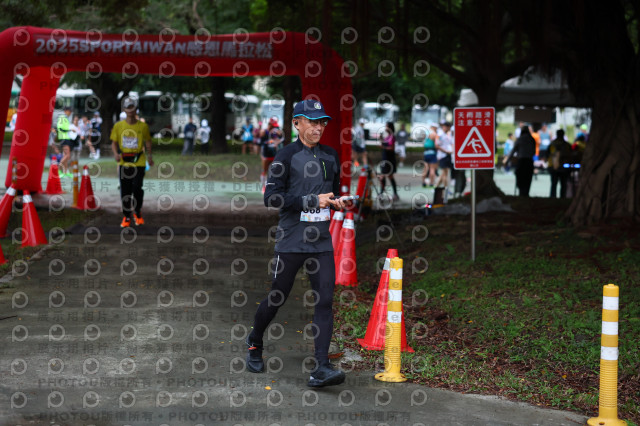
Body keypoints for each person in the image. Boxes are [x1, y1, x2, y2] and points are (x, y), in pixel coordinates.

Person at [246, 99, 352, 388]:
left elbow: (331, 194)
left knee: (325, 300)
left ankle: (321, 367)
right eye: (312, 122)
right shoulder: (285, 156)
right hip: (291, 239)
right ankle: (255, 342)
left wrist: (338, 202)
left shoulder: (331, 155)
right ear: (296, 123)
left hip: (321, 241)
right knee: (277, 296)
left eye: (322, 122)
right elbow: (271, 198)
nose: (319, 127)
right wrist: (311, 200)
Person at [110, 98, 154, 228]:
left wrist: (150, 156)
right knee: (125, 190)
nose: (130, 110)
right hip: (124, 162)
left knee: (137, 188)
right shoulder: (118, 126)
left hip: (139, 162)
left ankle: (138, 212)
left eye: (132, 107)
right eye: (128, 107)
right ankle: (126, 216)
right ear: (124, 110)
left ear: (136, 109)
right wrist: (115, 154)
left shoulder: (143, 126)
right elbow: (114, 143)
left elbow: (148, 141)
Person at [504, 125, 536, 197]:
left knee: (520, 177)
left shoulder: (520, 139)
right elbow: (533, 151)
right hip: (529, 161)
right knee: (528, 178)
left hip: (521, 161)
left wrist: (507, 161)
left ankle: (521, 192)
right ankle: (526, 193)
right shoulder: (532, 139)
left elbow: (513, 151)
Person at [548, 129, 571, 198]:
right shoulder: (567, 145)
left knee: (554, 183)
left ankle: (553, 198)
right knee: (563, 184)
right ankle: (562, 197)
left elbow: (547, 154)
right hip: (563, 167)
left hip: (553, 166)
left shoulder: (552, 144)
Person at [259, 124, 283, 192]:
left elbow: (280, 140)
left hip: (273, 155)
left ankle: (270, 186)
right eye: (273, 126)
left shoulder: (276, 134)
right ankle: (263, 187)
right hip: (266, 155)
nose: (275, 128)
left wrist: (276, 143)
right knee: (264, 171)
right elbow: (262, 142)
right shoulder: (265, 132)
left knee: (273, 172)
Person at [379, 121, 399, 201]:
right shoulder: (387, 137)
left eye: (387, 126)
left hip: (389, 159)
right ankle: (382, 193)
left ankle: (392, 194)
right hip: (385, 159)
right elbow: (384, 144)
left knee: (388, 176)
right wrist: (381, 139)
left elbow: (392, 148)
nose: (385, 128)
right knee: (384, 176)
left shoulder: (392, 137)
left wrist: (383, 147)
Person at [435, 122, 453, 191]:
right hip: (443, 155)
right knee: (445, 173)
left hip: (447, 155)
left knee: (444, 173)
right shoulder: (440, 134)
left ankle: (436, 187)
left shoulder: (447, 134)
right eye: (449, 127)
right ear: (445, 127)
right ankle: (446, 189)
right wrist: (446, 151)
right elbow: (437, 145)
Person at [56, 106, 73, 177]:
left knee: (65, 155)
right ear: (66, 111)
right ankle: (57, 168)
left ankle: (65, 172)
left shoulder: (66, 118)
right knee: (67, 155)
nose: (70, 113)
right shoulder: (62, 117)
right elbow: (59, 128)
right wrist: (69, 130)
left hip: (66, 138)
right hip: (63, 138)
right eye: (70, 111)